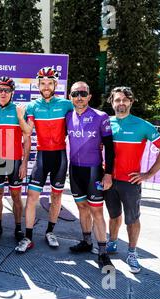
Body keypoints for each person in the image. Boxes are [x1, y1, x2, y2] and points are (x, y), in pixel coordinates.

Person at [105, 86, 160, 273]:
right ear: (112, 102)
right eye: (117, 100)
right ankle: (112, 242)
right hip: (110, 180)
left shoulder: (142, 125)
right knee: (113, 215)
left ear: (131, 102)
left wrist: (148, 174)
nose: (121, 103)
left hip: (131, 182)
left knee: (132, 219)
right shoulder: (106, 122)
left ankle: (132, 252)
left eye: (125, 100)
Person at [15, 67, 73, 251]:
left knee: (56, 196)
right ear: (38, 85)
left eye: (50, 83)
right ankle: (28, 237)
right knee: (32, 197)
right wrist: (19, 116)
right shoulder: (32, 106)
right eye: (43, 83)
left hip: (60, 156)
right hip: (41, 155)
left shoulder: (66, 105)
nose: (46, 86)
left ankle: (50, 232)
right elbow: (27, 131)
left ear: (55, 84)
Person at [64, 81, 114, 270]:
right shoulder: (68, 116)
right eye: (75, 94)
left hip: (94, 170)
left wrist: (108, 173)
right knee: (82, 208)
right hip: (75, 170)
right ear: (70, 97)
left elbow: (109, 147)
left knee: (97, 212)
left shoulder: (101, 117)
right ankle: (86, 242)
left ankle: (102, 252)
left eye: (83, 94)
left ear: (89, 96)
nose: (79, 97)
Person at [0, 76, 30, 244]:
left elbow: (28, 134)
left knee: (16, 196)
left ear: (12, 93)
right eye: (0, 90)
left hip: (15, 160)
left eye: (7, 90)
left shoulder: (19, 110)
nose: (3, 93)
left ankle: (18, 227)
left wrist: (24, 163)